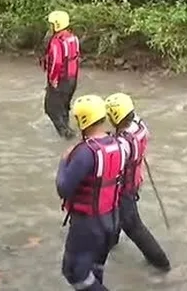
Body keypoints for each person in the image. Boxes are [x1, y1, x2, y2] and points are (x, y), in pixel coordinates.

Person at [57, 95, 126, 291]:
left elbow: (63, 188)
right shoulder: (119, 144)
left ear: (83, 121)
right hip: (112, 219)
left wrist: (63, 161)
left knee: (75, 274)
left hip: (88, 225)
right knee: (95, 269)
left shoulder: (86, 153)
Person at [104, 92, 171, 272]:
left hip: (124, 188)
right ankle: (111, 243)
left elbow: (113, 167)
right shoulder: (138, 125)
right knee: (116, 214)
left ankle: (161, 263)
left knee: (133, 226)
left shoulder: (122, 143)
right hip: (135, 180)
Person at [42, 10, 80, 139]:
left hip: (60, 80)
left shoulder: (56, 42)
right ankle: (67, 128)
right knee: (63, 107)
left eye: (51, 24)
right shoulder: (73, 38)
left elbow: (56, 63)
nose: (50, 27)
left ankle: (66, 135)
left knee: (50, 108)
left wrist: (53, 80)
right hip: (72, 80)